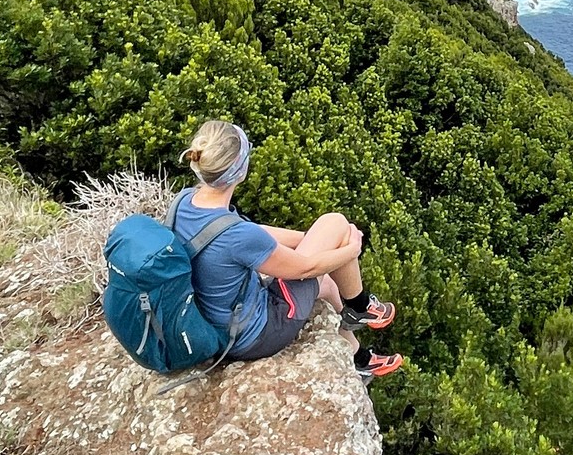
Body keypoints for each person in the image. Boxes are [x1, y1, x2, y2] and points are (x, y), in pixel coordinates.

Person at [172, 118, 404, 379]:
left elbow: (253, 233)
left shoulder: (185, 202)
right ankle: (360, 306)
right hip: (255, 335)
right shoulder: (237, 235)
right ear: (240, 170)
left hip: (216, 320)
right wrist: (351, 249)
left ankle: (358, 358)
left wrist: (314, 238)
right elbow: (306, 268)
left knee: (327, 283)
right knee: (336, 223)